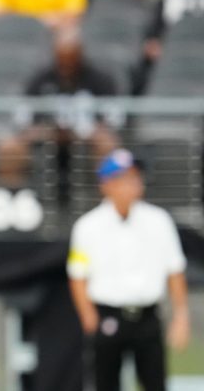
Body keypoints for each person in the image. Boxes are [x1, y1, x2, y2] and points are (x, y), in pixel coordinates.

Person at [68, 149, 190, 391]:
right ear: (106, 185)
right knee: (105, 383)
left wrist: (181, 316)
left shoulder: (159, 221)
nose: (132, 185)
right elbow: (77, 275)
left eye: (135, 178)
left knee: (155, 382)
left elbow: (175, 270)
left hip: (147, 317)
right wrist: (88, 317)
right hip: (108, 316)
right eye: (124, 179)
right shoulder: (87, 226)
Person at [0, 31, 118, 191]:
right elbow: (22, 115)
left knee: (107, 145)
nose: (67, 65)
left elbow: (114, 116)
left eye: (71, 59)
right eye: (62, 59)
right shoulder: (41, 78)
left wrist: (92, 130)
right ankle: (13, 199)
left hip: (86, 136)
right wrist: (36, 131)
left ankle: (107, 199)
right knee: (8, 147)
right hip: (47, 134)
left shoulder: (99, 79)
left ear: (80, 55)